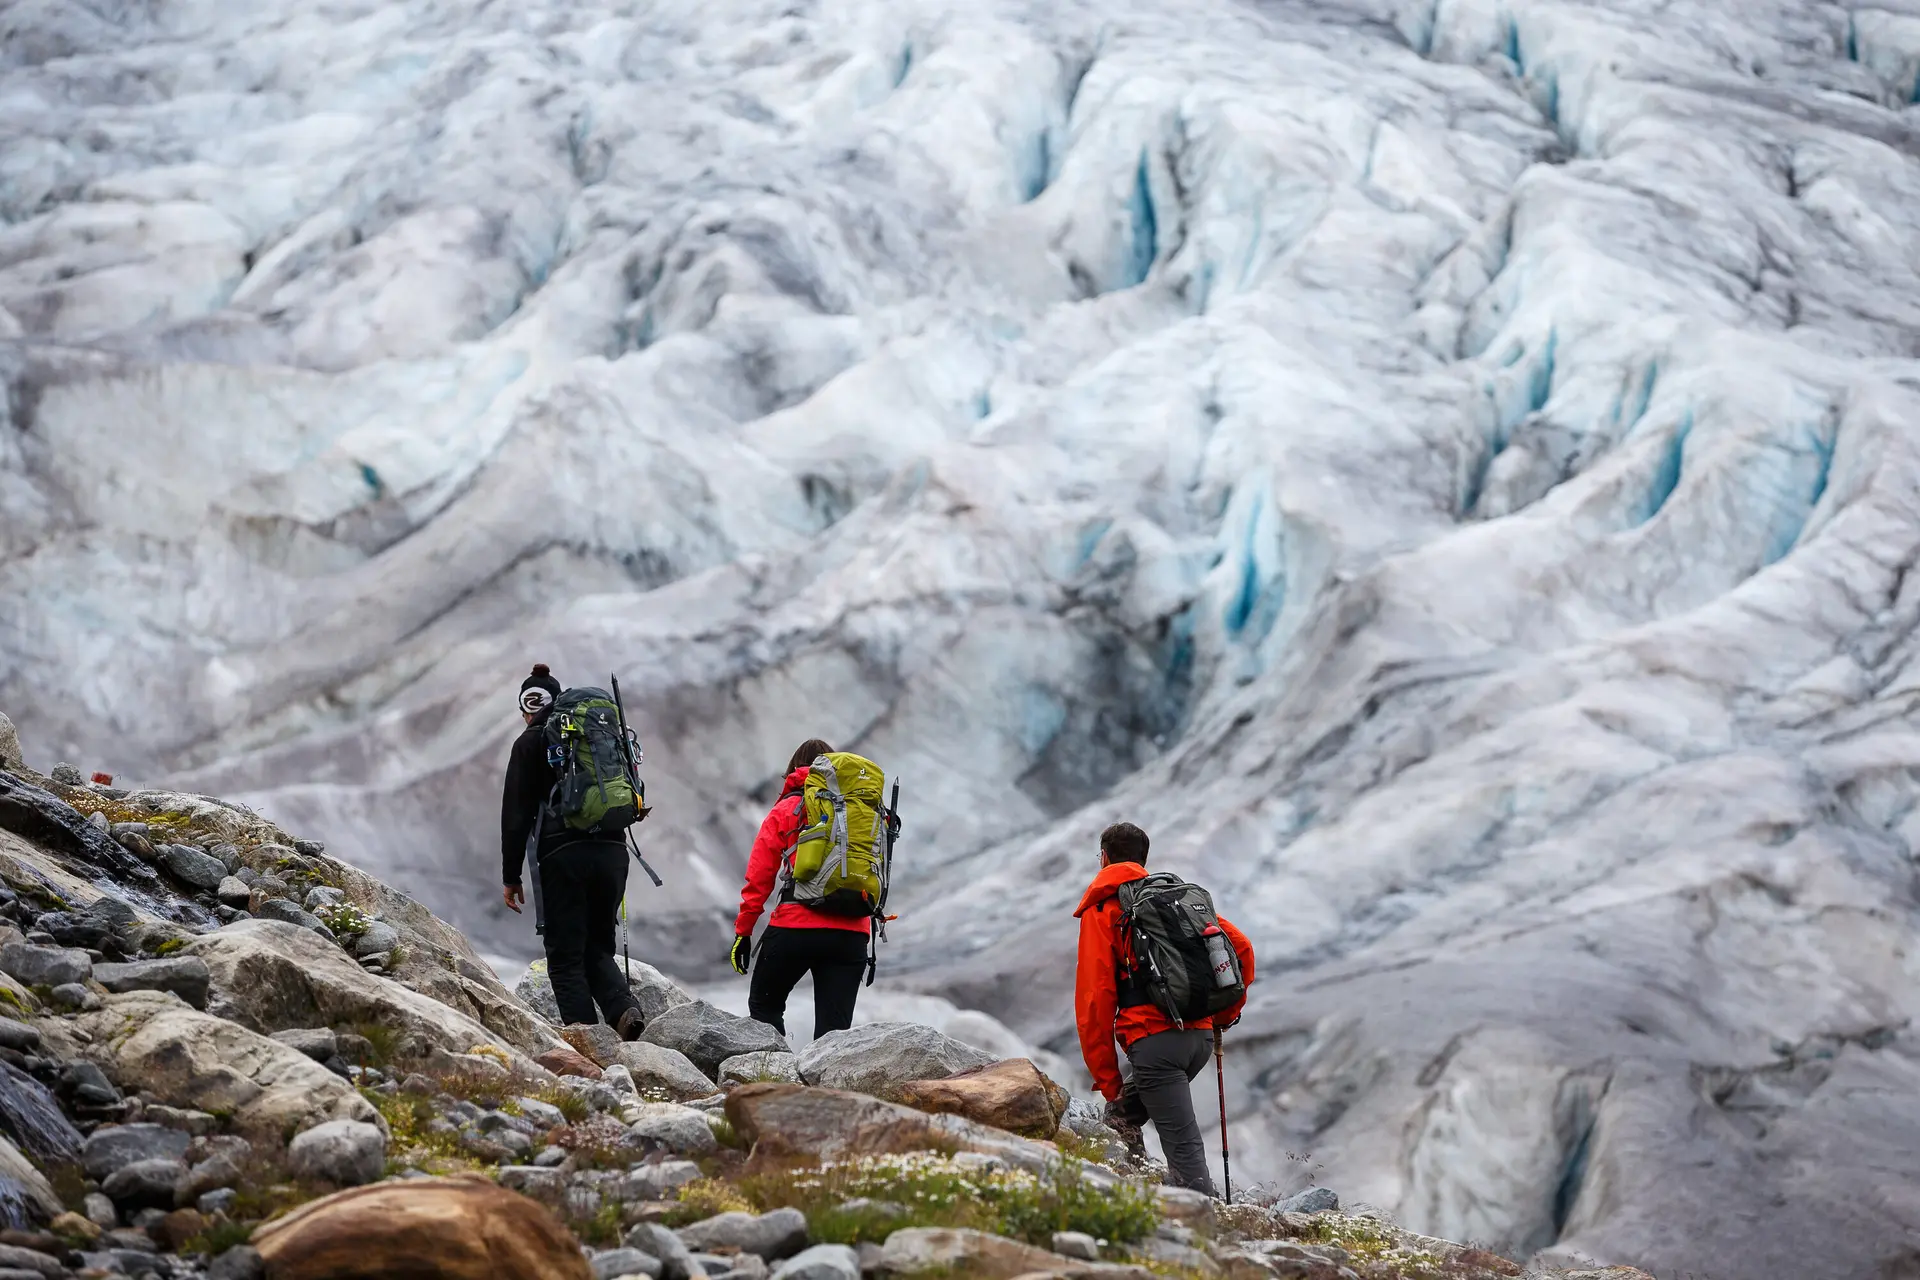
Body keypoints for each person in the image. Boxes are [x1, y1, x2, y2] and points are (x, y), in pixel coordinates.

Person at [1074, 821, 1255, 1197]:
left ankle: (1203, 1219)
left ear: (1104, 858)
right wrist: (1221, 1016)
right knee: (1122, 1115)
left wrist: (1107, 1080)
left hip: (1154, 1044)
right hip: (1199, 1038)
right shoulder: (1174, 900)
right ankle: (1130, 1189)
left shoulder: (1105, 909)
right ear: (1143, 860)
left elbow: (1094, 1000)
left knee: (1186, 1155)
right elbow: (1241, 948)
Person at [500, 663, 644, 1038]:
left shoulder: (529, 743)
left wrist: (511, 876)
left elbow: (515, 815)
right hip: (613, 851)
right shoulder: (594, 738)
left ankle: (590, 1047)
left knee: (565, 958)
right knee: (597, 948)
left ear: (528, 706)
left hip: (563, 855)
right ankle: (625, 1012)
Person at [730, 738, 872, 1039]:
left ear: (794, 769)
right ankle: (826, 1072)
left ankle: (771, 1068)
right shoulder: (859, 810)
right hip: (852, 933)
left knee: (764, 1008)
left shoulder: (788, 808)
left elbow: (759, 877)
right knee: (833, 1035)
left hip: (795, 926)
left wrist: (743, 931)